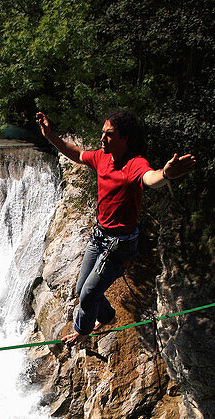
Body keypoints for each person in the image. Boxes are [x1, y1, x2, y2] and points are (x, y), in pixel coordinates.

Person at [35, 110, 195, 345]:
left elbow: (150, 178)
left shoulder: (134, 164)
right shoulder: (101, 157)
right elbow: (78, 154)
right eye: (102, 133)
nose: (102, 139)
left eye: (109, 135)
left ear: (125, 138)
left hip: (120, 246)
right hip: (99, 237)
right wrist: (51, 137)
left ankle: (83, 331)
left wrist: (167, 174)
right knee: (82, 289)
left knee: (89, 294)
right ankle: (107, 315)